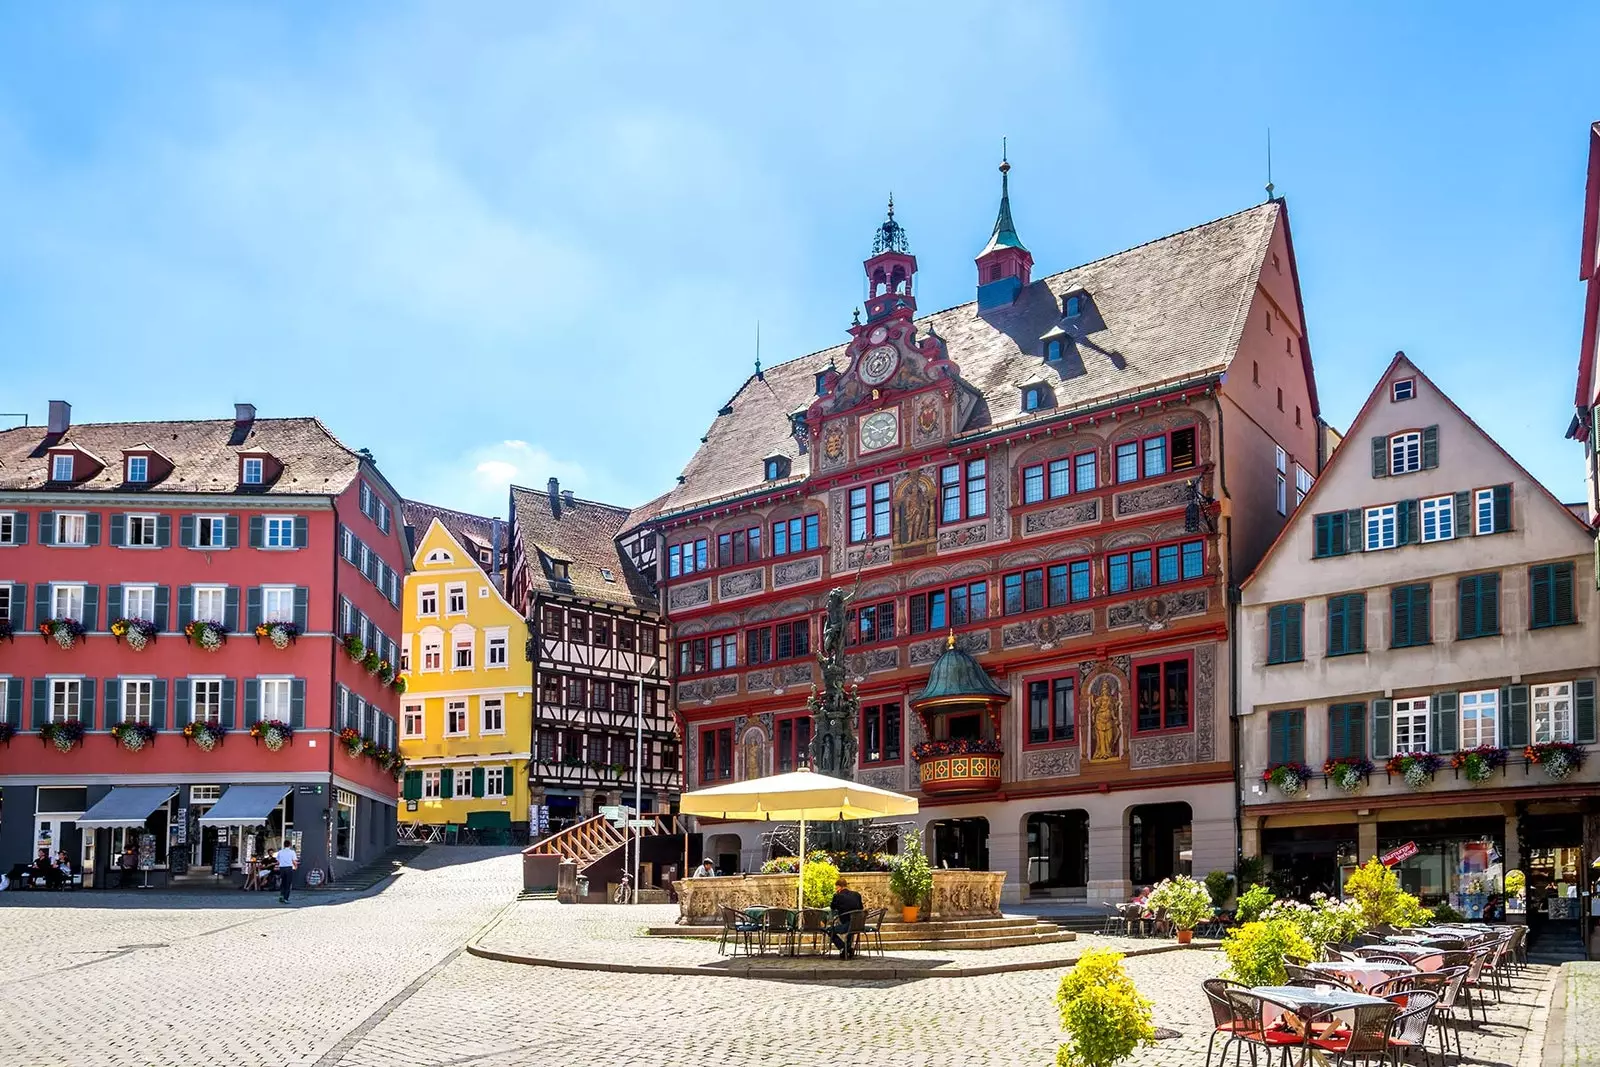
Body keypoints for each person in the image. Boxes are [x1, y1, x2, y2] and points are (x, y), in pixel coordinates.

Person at [827, 876, 865, 960]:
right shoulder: (857, 895)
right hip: (858, 925)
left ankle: (843, 948)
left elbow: (832, 907)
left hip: (847, 925)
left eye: (836, 887)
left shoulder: (837, 896)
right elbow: (861, 908)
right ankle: (847, 949)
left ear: (839, 887)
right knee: (849, 930)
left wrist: (837, 895)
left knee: (829, 930)